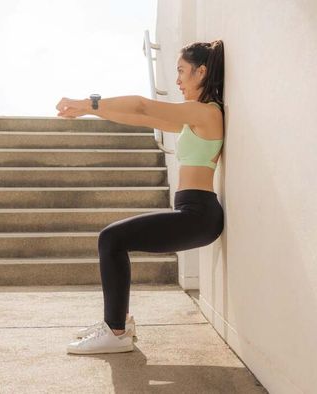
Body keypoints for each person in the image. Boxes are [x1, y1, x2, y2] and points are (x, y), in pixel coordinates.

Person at [58, 40, 226, 355]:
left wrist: (88, 103)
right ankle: (118, 324)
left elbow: (143, 106)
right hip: (193, 211)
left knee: (111, 238)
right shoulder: (193, 117)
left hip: (199, 215)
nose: (177, 81)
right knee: (113, 239)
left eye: (181, 72)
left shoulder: (205, 112)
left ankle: (116, 331)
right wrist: (93, 113)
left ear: (202, 72)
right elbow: (141, 117)